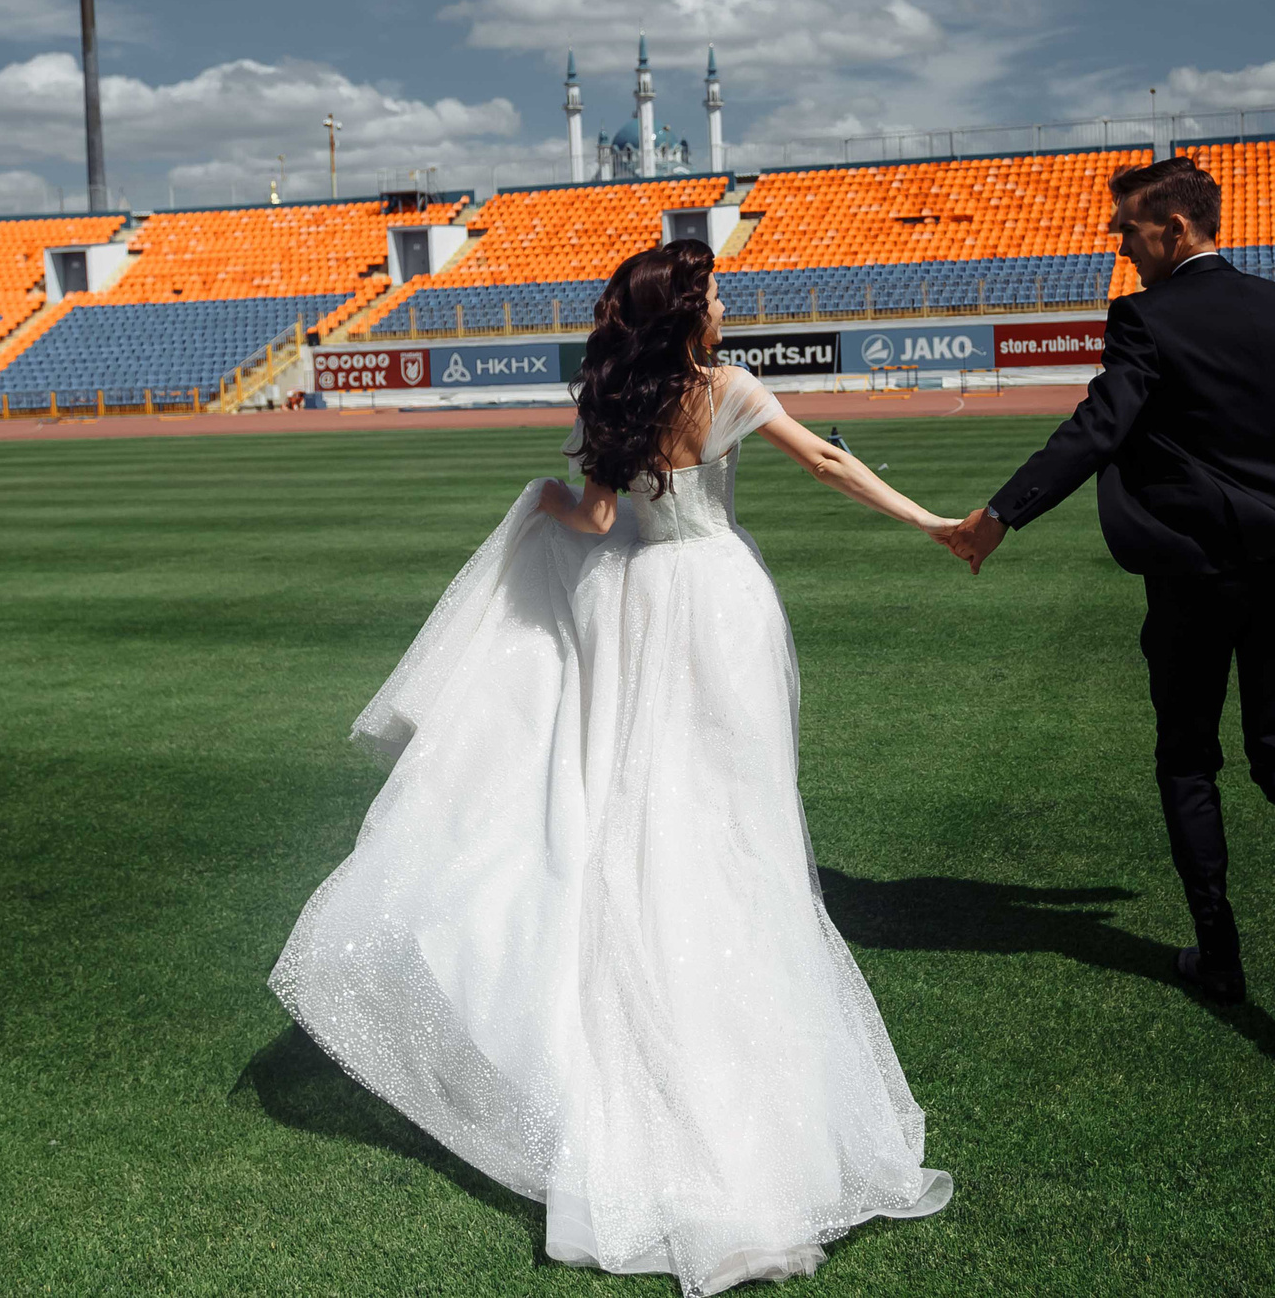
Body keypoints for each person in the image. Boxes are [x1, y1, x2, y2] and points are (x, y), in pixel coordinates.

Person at [271, 240, 955, 1296]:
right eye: (715, 293)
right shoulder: (726, 386)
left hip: (628, 606)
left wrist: (540, 496)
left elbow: (593, 519)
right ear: (688, 310)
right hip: (717, 602)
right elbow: (825, 461)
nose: (726, 305)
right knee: (732, 819)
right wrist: (932, 523)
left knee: (635, 809)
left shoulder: (611, 396)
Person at [938, 156, 1275, 1041]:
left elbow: (1097, 428)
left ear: (1174, 229)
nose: (1122, 249)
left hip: (1192, 575)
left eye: (1129, 232)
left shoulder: (1144, 318)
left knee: (1189, 761)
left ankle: (1218, 953)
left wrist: (1000, 516)